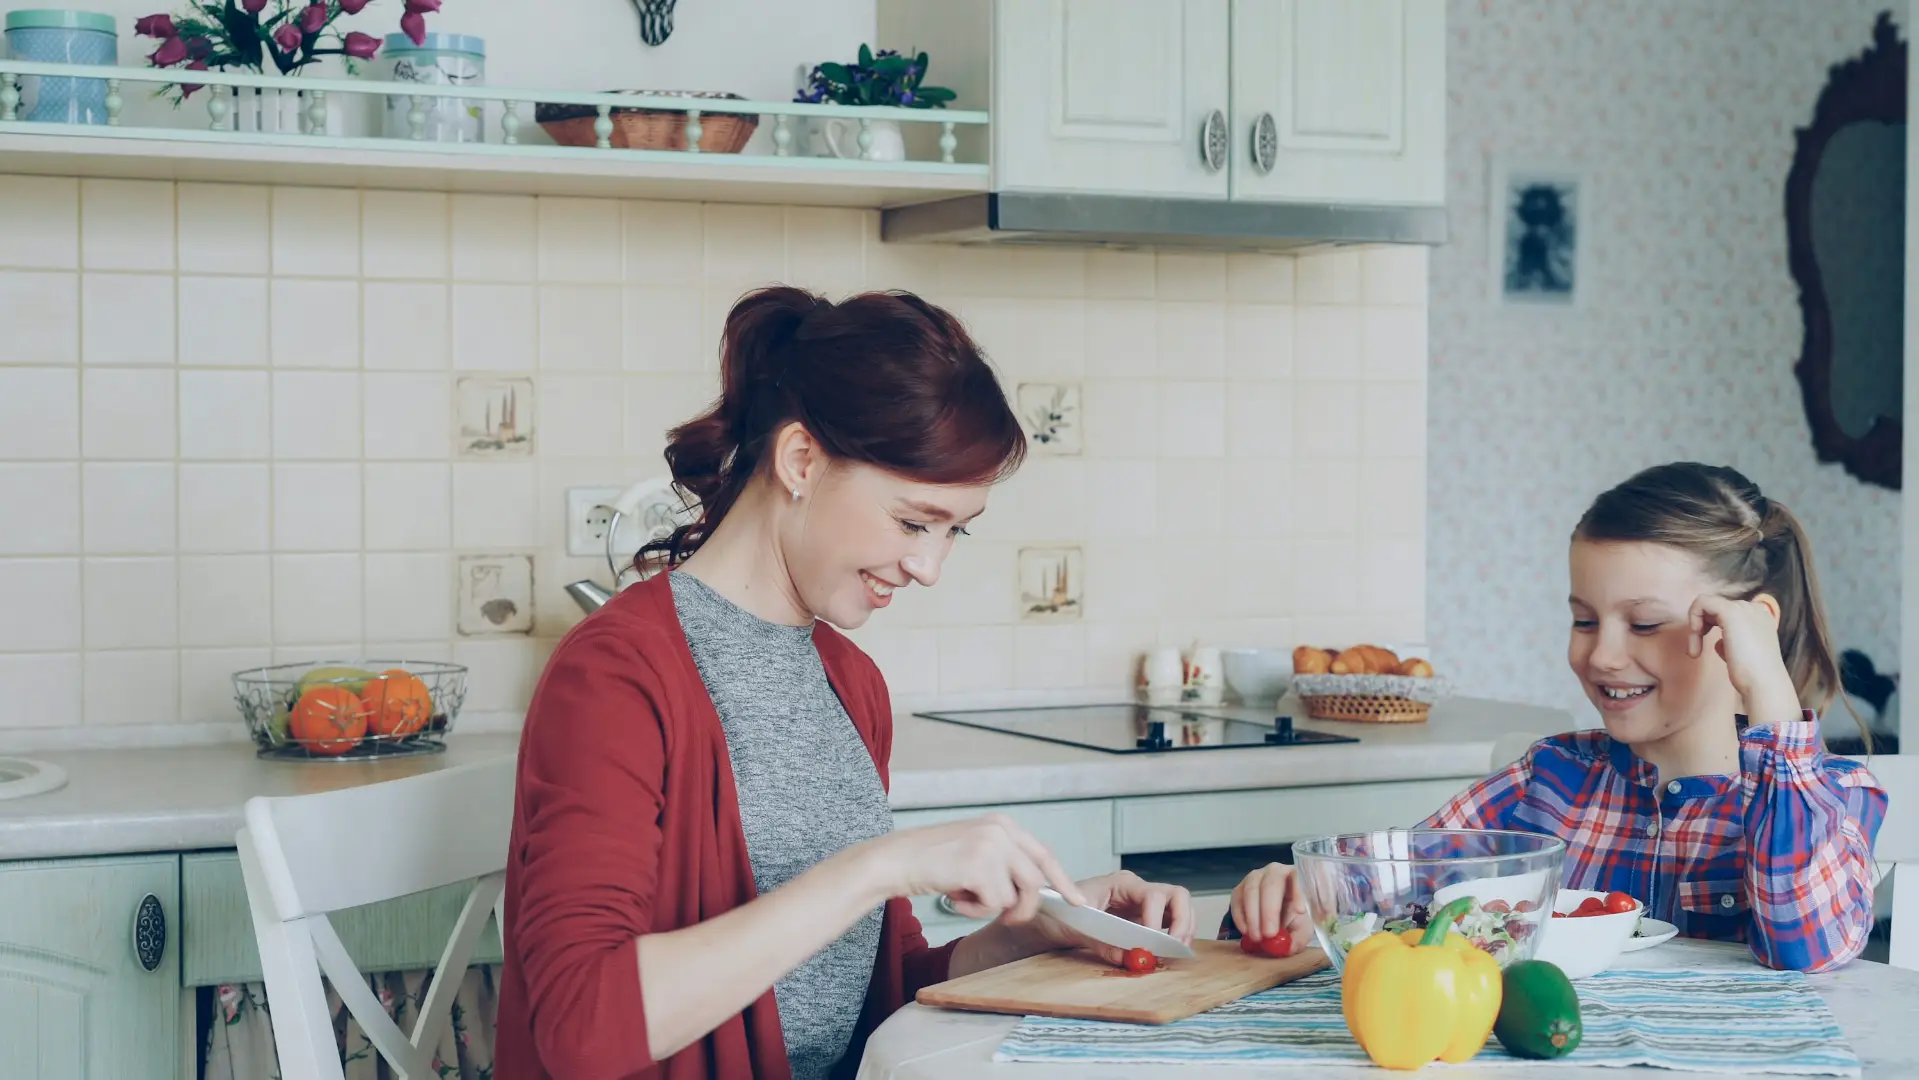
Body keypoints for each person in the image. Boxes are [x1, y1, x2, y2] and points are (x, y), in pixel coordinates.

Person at [494, 286, 1195, 1080]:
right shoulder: (616, 675)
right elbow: (578, 1028)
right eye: (911, 522)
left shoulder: (848, 681)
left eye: (951, 532)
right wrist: (881, 867)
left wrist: (1041, 932)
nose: (929, 568)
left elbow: (878, 992)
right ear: (800, 461)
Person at [1224, 463, 1888, 973]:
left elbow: (1806, 947)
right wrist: (1304, 895)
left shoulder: (1832, 800)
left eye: (1645, 623)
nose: (1601, 653)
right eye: (1582, 619)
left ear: (1741, 631)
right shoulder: (1547, 784)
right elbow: (1395, 897)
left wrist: (1769, 694)